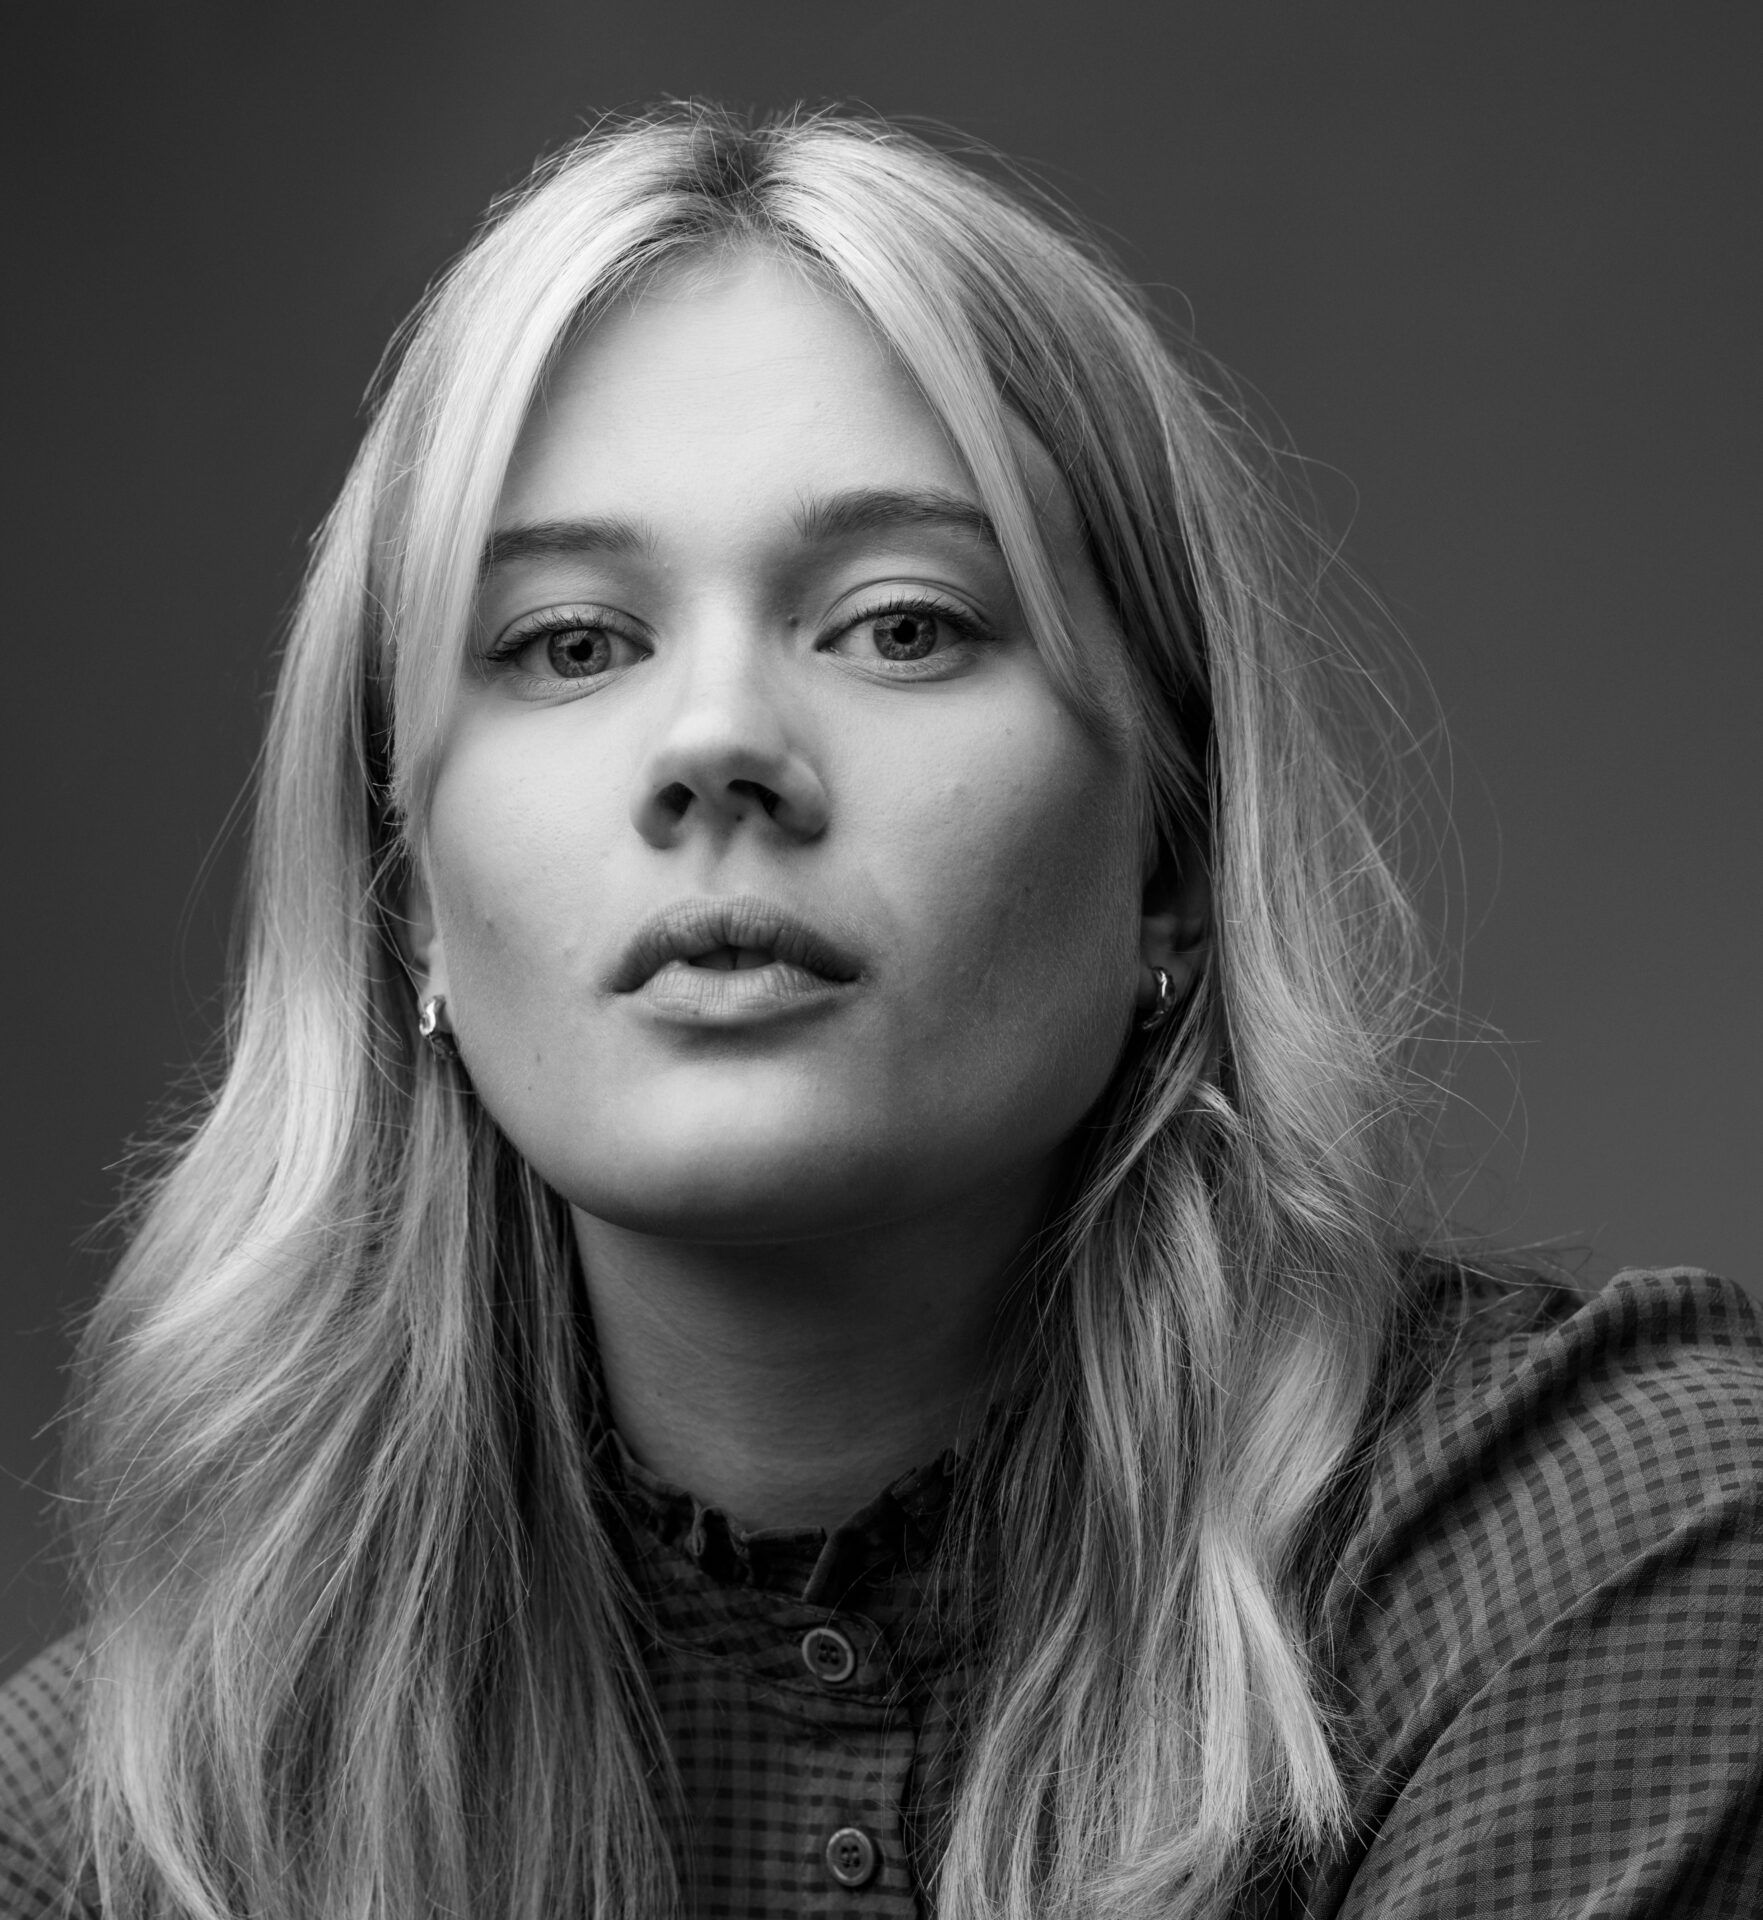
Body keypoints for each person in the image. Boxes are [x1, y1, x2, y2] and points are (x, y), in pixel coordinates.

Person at [1, 103, 1758, 1920]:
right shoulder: (115, 1822)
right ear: (410, 901)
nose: (716, 745)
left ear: (1173, 851)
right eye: (571, 643)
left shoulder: (1617, 1547)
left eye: (902, 624)